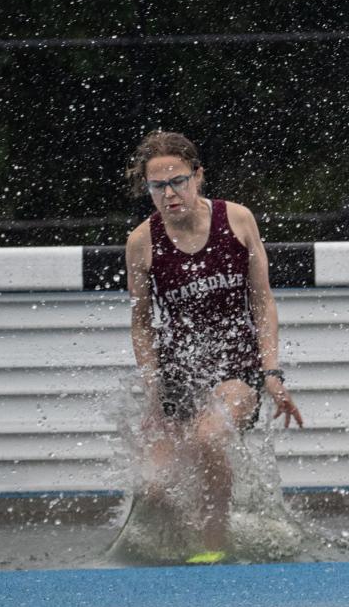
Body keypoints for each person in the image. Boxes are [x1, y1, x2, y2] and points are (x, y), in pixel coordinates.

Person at [124, 130, 303, 564]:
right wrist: (151, 393)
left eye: (178, 181)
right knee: (155, 487)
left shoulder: (237, 220)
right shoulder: (141, 243)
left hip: (236, 368)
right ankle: (180, 541)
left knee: (210, 434)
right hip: (178, 373)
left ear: (198, 176)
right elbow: (142, 324)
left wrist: (272, 372)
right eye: (157, 186)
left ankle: (213, 545)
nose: (170, 194)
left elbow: (262, 301)